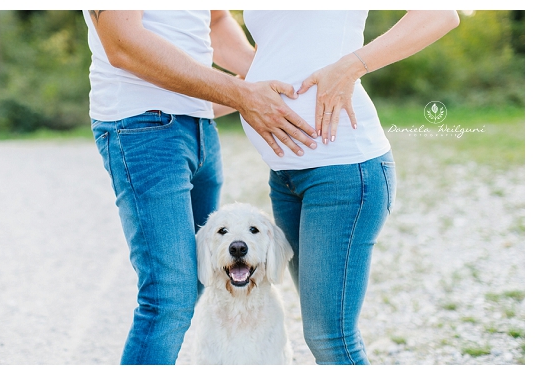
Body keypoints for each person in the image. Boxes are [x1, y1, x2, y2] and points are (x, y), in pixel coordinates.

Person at [84, 10, 318, 365]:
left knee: (196, 278)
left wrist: (272, 73)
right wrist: (243, 93)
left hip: (201, 125)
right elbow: (122, 43)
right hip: (142, 125)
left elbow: (216, 19)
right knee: (169, 296)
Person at [240, 10, 459, 364]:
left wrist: (350, 65)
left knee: (330, 337)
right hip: (285, 177)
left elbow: (440, 14)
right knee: (321, 330)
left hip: (343, 173)